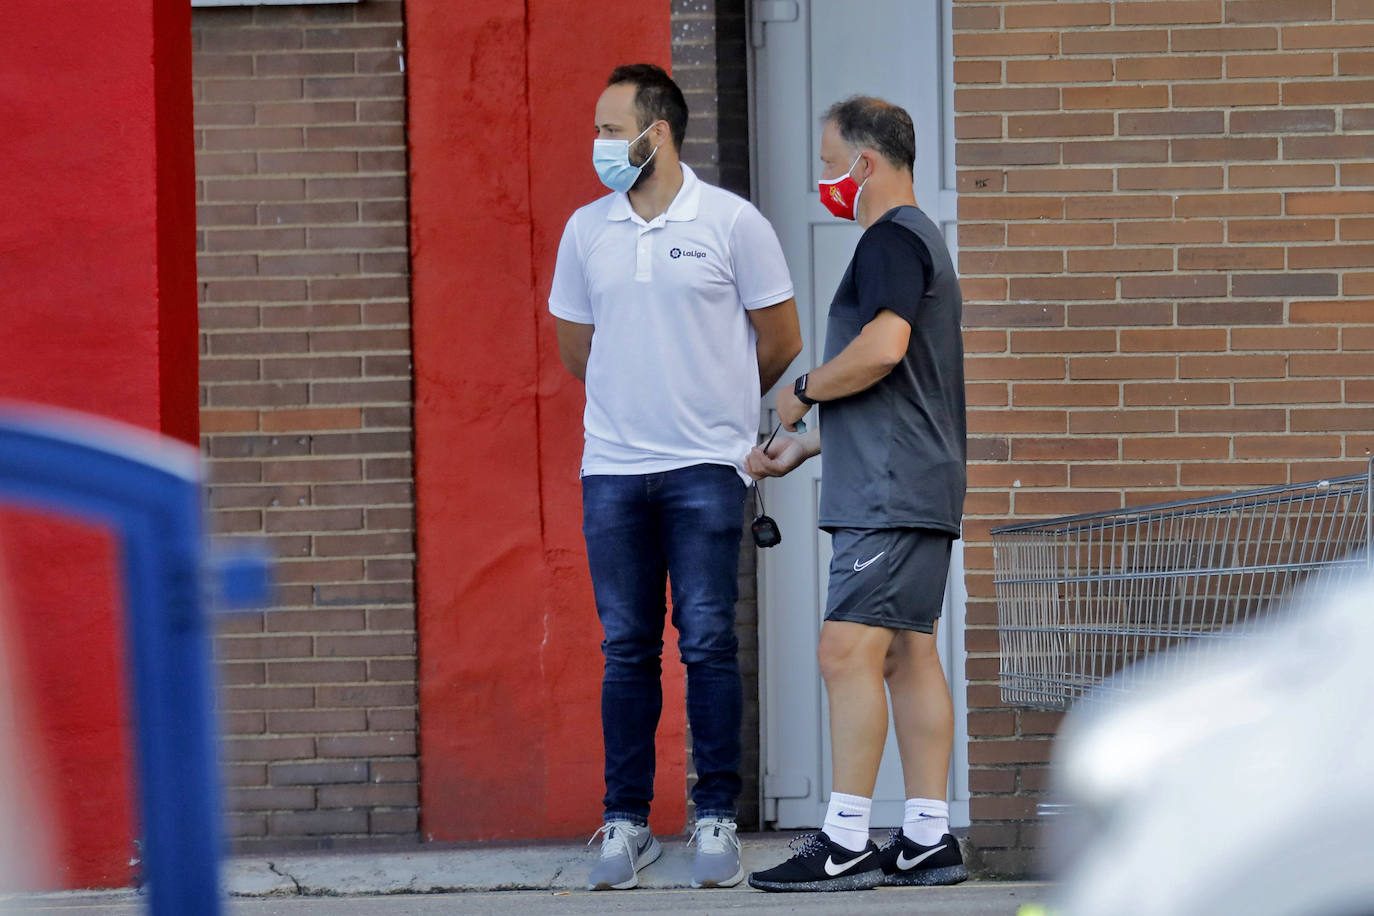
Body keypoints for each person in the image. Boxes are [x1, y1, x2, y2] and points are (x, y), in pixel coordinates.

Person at [547, 63, 802, 891]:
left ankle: (715, 818)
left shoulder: (732, 222)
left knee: (708, 643)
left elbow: (781, 338)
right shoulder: (586, 229)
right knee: (625, 648)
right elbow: (578, 348)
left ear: (658, 133)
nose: (599, 144)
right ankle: (625, 822)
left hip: (706, 470)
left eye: (611, 129)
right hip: (614, 470)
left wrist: (718, 409)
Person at [745, 96, 968, 893]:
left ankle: (843, 840)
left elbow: (883, 348)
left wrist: (801, 390)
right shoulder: (918, 241)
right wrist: (801, 449)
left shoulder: (889, 238)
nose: (823, 177)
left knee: (845, 651)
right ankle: (926, 839)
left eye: (827, 159)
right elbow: (898, 384)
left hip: (890, 490)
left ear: (863, 164)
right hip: (912, 482)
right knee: (908, 655)